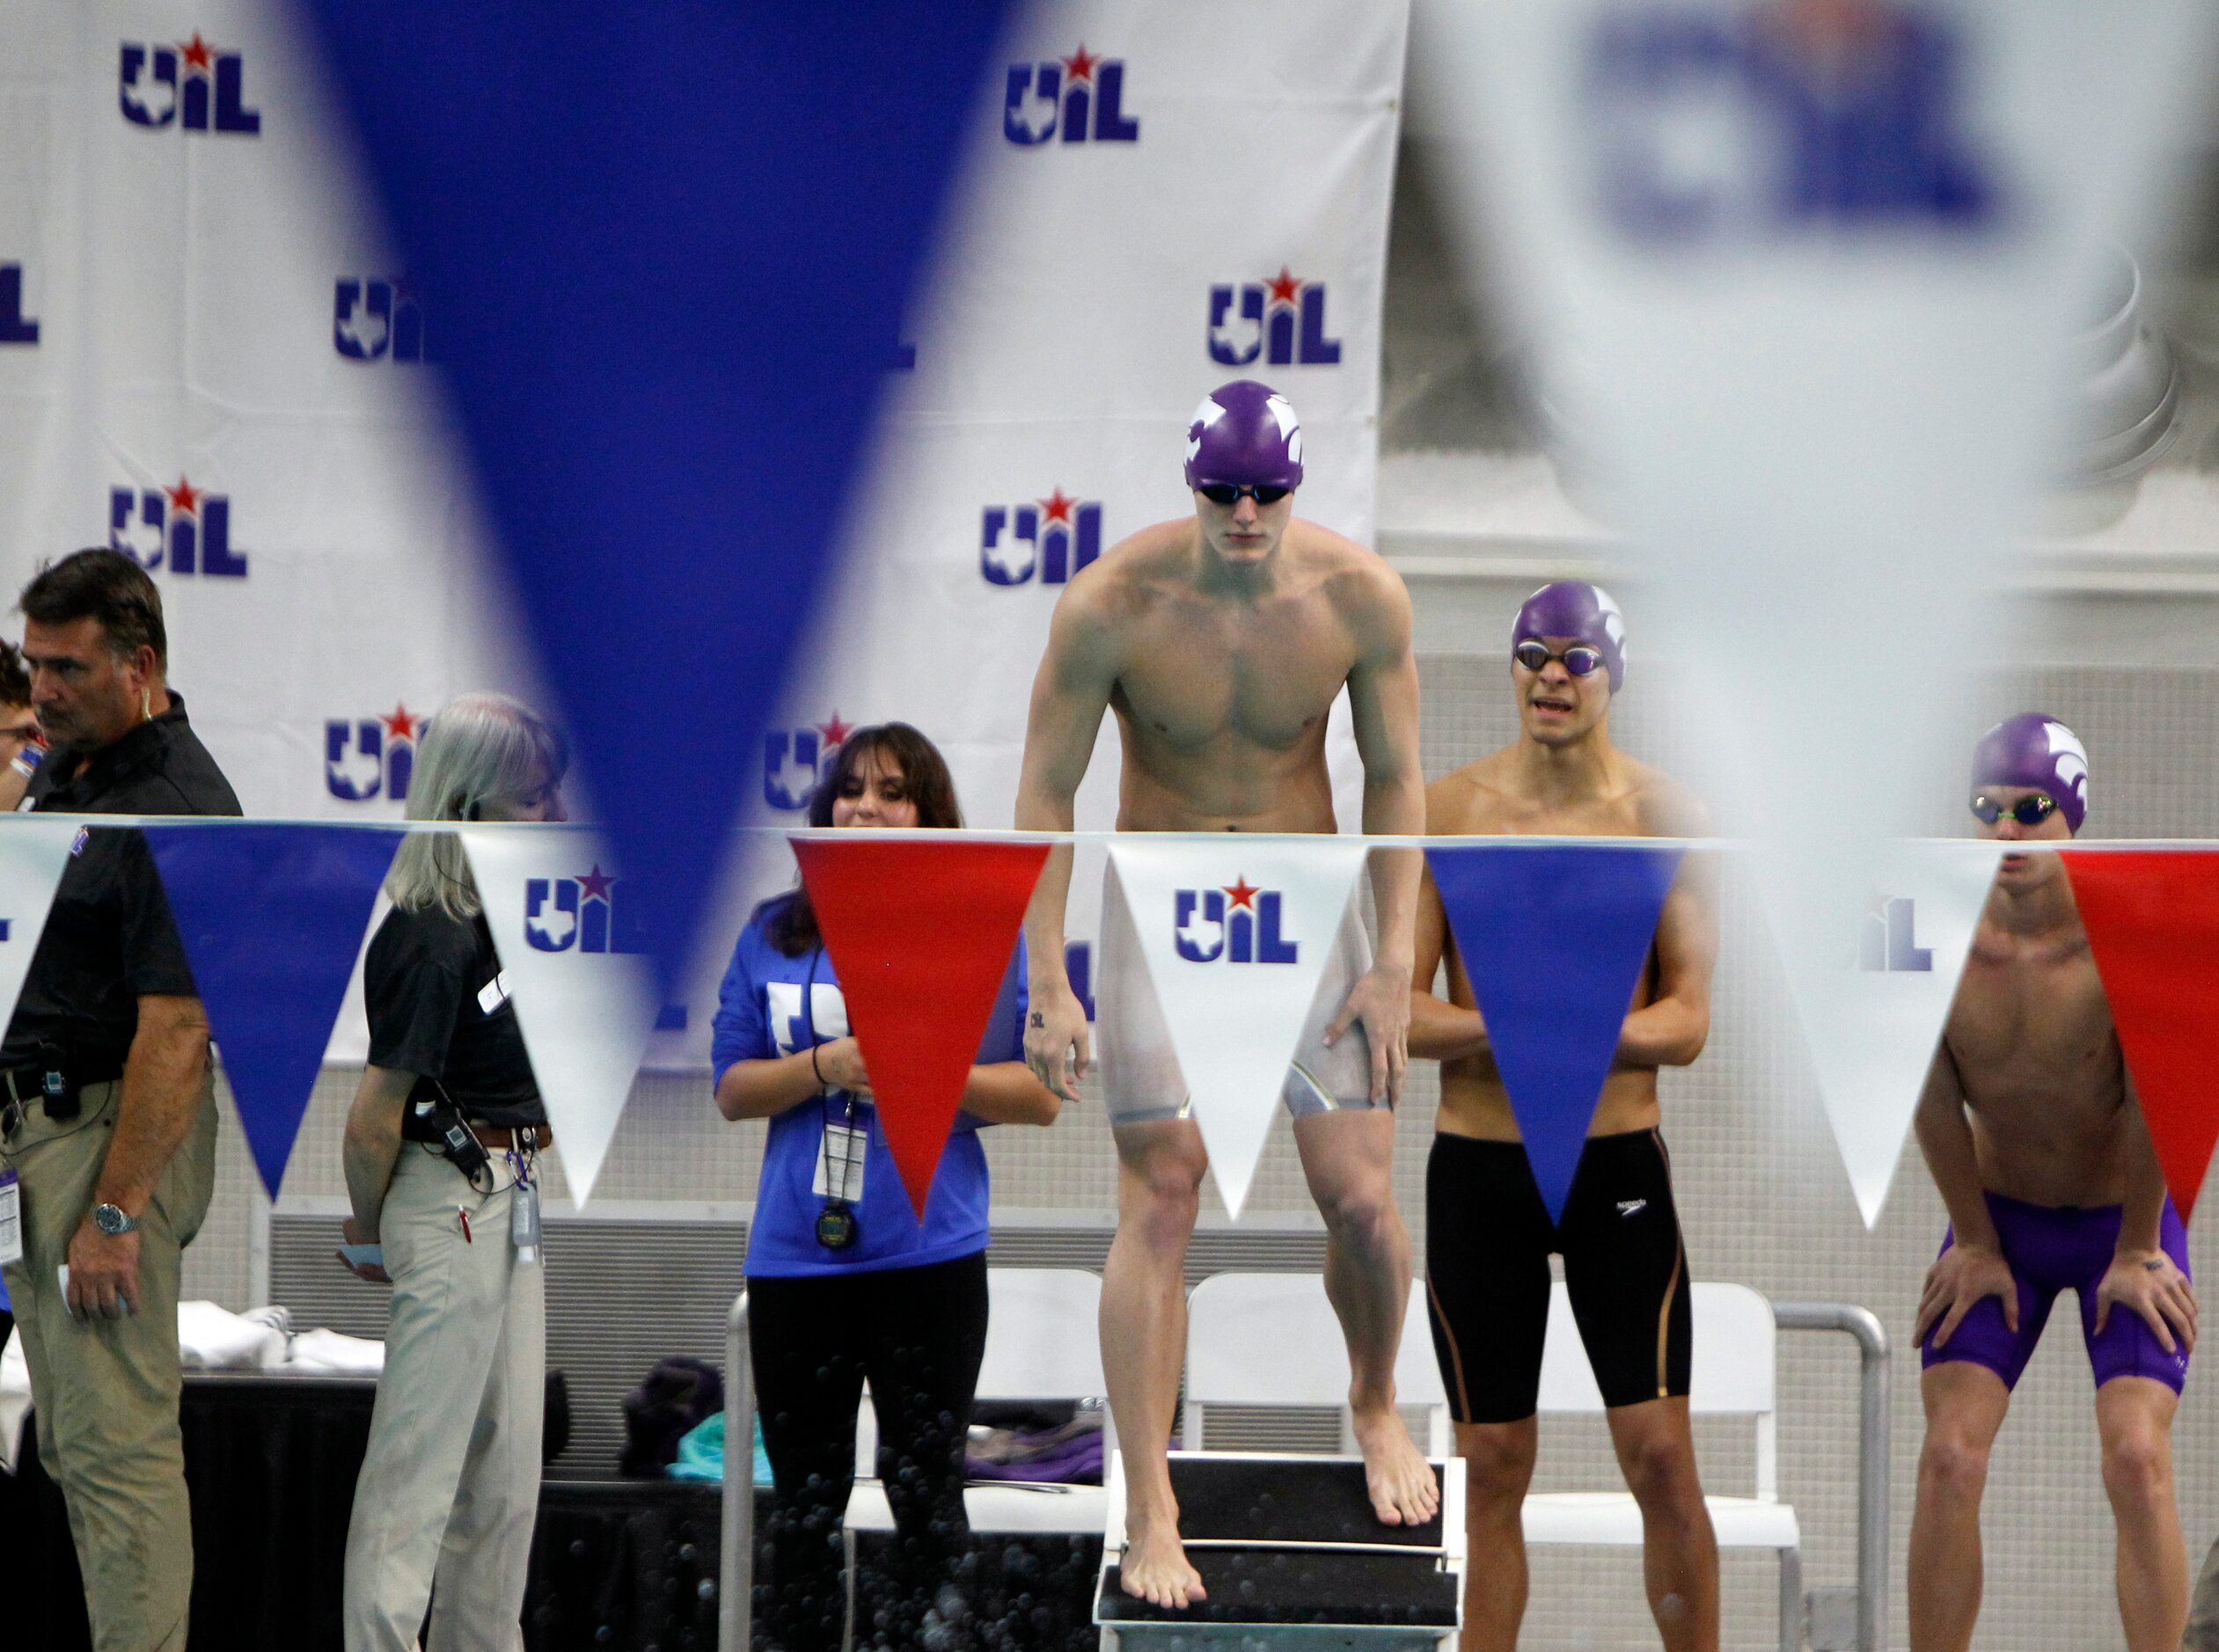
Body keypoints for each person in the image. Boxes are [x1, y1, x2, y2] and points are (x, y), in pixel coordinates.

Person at [1015, 379, 1436, 1609]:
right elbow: (1046, 792)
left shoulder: (1359, 597)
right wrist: (1048, 975)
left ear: (1297, 485)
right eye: (1221, 492)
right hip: (1162, 895)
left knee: (1359, 1199)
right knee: (1163, 1193)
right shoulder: (1111, 603)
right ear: (1189, 484)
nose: (1245, 512)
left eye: (1267, 491)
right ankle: (1149, 1498)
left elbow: (1397, 778)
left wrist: (1393, 957)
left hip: (1308, 899)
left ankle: (1371, 1399)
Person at [1409, 581, 1721, 1652]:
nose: (1551, 675)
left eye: (1576, 658)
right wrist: (1516, 1025)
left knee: (1659, 1453)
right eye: (1533, 655)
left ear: (1611, 676)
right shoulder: (1445, 814)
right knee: (1490, 1464)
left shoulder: (1662, 817)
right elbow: (1397, 1012)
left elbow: (1684, 1021)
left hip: (1613, 1166)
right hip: (1478, 1170)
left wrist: (1571, 1030)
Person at [714, 722, 1061, 1651]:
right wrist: (828, 1064)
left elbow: (1041, 1096)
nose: (865, 806)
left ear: (930, 814)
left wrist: (917, 1074)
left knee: (926, 1504)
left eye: (893, 791)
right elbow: (732, 1088)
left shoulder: (975, 934)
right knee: (805, 1513)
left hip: (928, 1255)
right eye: (850, 789)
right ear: (822, 807)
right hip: (797, 1260)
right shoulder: (770, 933)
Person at [1908, 713, 2195, 1652]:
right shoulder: (1919, 925)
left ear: (2074, 817)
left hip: (2123, 1221)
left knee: (2135, 1457)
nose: (2004, 833)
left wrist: (2139, 1246)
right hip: (1997, 1224)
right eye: (1985, 810)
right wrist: (1974, 1240)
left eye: (2031, 810)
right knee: (1949, 1457)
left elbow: (2164, 1090)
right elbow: (1908, 1078)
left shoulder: (2130, 927)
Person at [0, 548, 240, 1652]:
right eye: (35, 665)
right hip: (44, 1134)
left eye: (67, 668)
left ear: (140, 664)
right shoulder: (69, 774)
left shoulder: (178, 807)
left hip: (109, 1137)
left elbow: (180, 1029)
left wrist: (114, 1212)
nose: (41, 691)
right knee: (71, 1446)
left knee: (117, 1454)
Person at [338, 693, 568, 1652]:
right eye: (533, 801)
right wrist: (370, 1231)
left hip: (506, 1200)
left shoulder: (501, 922)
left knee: (506, 1479)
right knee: (416, 1482)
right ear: (470, 808)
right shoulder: (430, 935)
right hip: (447, 1200)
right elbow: (370, 1120)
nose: (553, 818)